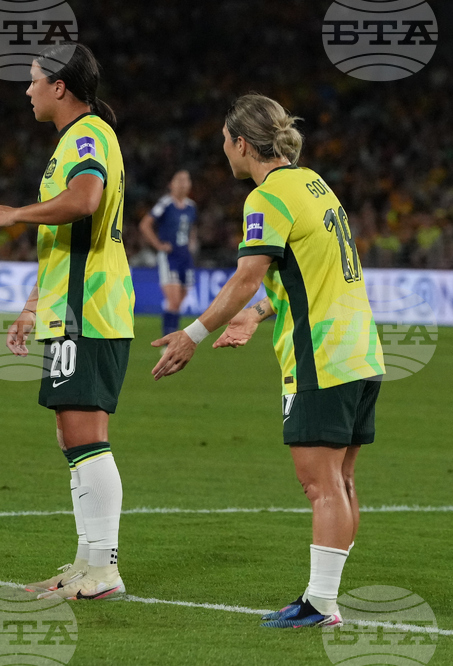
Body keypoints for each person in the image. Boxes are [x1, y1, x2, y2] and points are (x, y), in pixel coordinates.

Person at [151, 94, 385, 628]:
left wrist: (192, 334)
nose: (223, 153)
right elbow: (301, 273)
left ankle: (321, 605)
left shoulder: (266, 197)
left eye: (224, 142)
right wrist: (256, 317)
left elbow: (248, 274)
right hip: (361, 349)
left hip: (319, 355)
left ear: (240, 142)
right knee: (342, 481)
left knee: (319, 483)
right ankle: (324, 598)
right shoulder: (314, 184)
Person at [0, 42, 135, 601]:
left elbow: (85, 200)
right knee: (74, 434)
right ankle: (87, 563)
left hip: (89, 310)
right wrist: (31, 305)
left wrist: (15, 213)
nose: (28, 89)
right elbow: (64, 242)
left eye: (34, 79)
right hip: (72, 307)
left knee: (87, 434)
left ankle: (105, 568)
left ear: (59, 87)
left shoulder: (88, 137)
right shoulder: (75, 139)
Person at [138, 170, 199, 338]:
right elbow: (145, 224)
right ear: (171, 184)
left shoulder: (191, 206)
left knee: (179, 301)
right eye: (179, 180)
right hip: (169, 257)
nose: (183, 183)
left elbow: (192, 227)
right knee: (172, 300)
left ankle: (172, 336)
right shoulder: (165, 203)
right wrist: (158, 245)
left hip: (185, 257)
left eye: (186, 180)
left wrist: (192, 242)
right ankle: (168, 338)